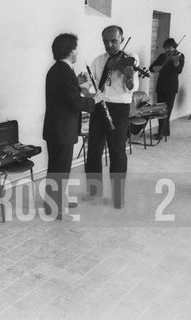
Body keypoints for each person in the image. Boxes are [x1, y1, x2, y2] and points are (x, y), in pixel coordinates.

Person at [43, 33, 103, 220]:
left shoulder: (58, 69)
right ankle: (58, 210)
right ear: (70, 51)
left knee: (55, 168)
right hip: (62, 130)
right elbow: (75, 101)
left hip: (55, 128)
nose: (77, 51)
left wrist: (76, 83)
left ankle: (52, 203)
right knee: (60, 170)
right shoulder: (64, 71)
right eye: (76, 48)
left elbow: (65, 92)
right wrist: (95, 99)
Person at [85, 25, 139, 209]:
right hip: (99, 106)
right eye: (106, 41)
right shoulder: (99, 60)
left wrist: (127, 74)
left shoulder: (130, 59)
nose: (109, 45)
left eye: (114, 41)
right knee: (93, 151)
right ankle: (94, 192)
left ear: (122, 40)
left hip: (119, 109)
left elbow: (132, 87)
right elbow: (87, 79)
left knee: (117, 152)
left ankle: (118, 196)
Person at [149, 38, 185, 140]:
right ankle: (166, 131)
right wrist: (157, 68)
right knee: (160, 110)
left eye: (170, 47)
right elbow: (151, 68)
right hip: (160, 86)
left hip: (171, 87)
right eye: (166, 47)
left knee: (167, 111)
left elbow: (179, 71)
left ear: (174, 46)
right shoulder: (162, 56)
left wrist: (176, 62)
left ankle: (160, 132)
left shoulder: (179, 56)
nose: (168, 49)